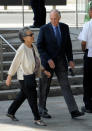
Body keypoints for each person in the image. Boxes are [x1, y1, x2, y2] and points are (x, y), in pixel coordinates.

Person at [37, 9, 84, 119]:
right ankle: (41, 109)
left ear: (59, 18)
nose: (53, 21)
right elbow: (40, 46)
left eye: (55, 19)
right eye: (51, 19)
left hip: (61, 62)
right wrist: (48, 59)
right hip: (47, 63)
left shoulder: (64, 27)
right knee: (44, 87)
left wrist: (71, 59)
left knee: (65, 86)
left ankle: (74, 111)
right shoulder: (44, 29)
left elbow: (68, 45)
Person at [6, 26, 51, 126]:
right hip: (25, 77)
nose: (32, 35)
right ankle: (37, 119)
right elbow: (15, 63)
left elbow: (37, 61)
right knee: (32, 97)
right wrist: (9, 76)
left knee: (23, 94)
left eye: (32, 34)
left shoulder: (33, 46)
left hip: (31, 75)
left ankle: (10, 112)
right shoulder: (22, 49)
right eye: (30, 35)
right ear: (24, 38)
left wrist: (44, 70)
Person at [78, 6, 92, 113]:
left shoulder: (88, 24)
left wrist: (84, 50)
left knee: (87, 81)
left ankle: (88, 105)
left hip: (90, 55)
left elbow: (83, 42)